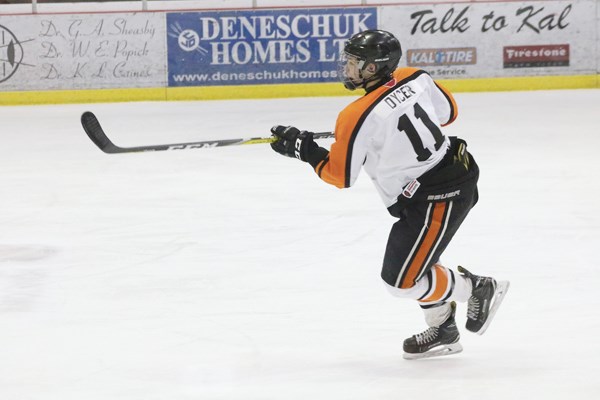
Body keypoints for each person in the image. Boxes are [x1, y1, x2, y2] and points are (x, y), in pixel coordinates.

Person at [269, 29, 509, 360]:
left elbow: (340, 175)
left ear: (372, 68)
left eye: (354, 63)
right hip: (448, 172)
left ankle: (477, 287)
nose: (347, 68)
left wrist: (304, 150)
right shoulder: (415, 76)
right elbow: (448, 113)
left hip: (439, 194)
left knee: (402, 281)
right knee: (418, 262)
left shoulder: (355, 116)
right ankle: (443, 328)